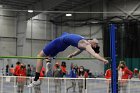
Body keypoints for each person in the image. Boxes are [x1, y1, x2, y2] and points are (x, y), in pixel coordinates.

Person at [28, 32, 108, 87]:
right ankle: (48, 61)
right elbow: (79, 50)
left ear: (94, 45)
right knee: (48, 55)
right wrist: (72, 55)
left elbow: (94, 54)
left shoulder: (87, 45)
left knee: (39, 56)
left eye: (96, 43)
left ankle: (36, 80)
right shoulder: (84, 42)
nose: (96, 40)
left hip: (59, 42)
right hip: (62, 44)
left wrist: (103, 60)